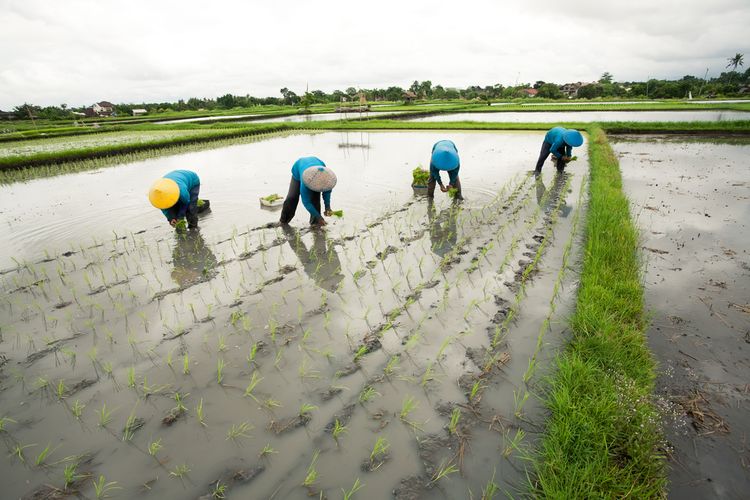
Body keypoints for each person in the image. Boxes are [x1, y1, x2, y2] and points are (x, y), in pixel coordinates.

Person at [280, 157, 337, 226]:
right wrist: (319, 217)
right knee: (292, 197)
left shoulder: (327, 180)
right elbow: (306, 202)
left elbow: (327, 193)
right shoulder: (306, 182)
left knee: (315, 200)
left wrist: (327, 207)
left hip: (317, 164)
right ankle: (283, 221)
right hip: (298, 168)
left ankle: (315, 224)